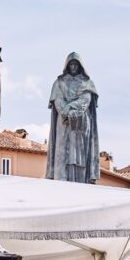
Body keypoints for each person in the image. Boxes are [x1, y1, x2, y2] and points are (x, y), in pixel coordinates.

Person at [45, 53, 100, 183]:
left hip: (81, 121)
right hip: (63, 121)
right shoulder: (59, 82)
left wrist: (71, 108)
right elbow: (57, 99)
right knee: (62, 150)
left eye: (76, 64)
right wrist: (65, 111)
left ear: (80, 66)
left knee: (80, 153)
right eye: (71, 64)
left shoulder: (87, 83)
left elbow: (86, 99)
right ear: (67, 65)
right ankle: (61, 180)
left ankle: (82, 181)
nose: (74, 67)